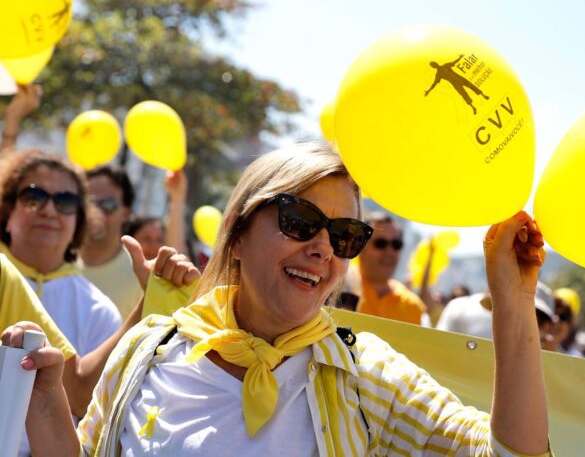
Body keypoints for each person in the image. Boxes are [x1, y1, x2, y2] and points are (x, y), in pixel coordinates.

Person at [6, 143, 551, 456]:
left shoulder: (366, 376)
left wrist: (513, 299)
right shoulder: (147, 351)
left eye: (344, 236)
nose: (321, 248)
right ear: (237, 236)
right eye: (299, 221)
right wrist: (46, 404)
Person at [0, 151, 121, 357]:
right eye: (34, 198)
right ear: (8, 211)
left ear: (79, 222)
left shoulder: (99, 312)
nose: (49, 211)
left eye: (65, 201)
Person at [79, 166, 144, 318]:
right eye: (90, 203)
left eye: (108, 205)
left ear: (125, 213)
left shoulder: (139, 277)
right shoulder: (55, 265)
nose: (96, 212)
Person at [355, 212, 429, 325]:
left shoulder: (413, 307)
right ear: (360, 246)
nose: (389, 252)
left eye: (396, 244)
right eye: (380, 243)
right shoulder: (337, 291)